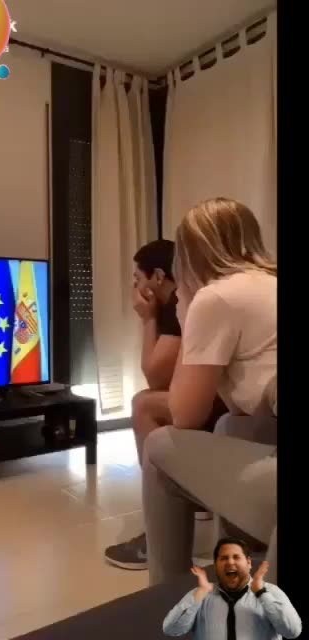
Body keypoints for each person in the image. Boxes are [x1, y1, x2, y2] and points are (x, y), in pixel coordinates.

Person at [142, 197, 277, 585]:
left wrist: (187, 322)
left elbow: (184, 415)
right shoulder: (268, 284)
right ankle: (233, 573)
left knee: (158, 446)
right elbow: (241, 408)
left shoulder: (215, 296)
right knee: (230, 428)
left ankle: (164, 592)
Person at [104, 239, 225, 570]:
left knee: (143, 404)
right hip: (232, 404)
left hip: (224, 407)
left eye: (137, 279)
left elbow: (154, 375)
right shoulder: (187, 299)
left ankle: (160, 523)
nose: (135, 288)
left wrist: (147, 320)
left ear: (158, 276)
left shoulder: (176, 304)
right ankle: (194, 499)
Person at [163, 537, 301, 639]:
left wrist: (261, 593)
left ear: (248, 563)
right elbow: (172, 629)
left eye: (236, 557)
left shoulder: (272, 592)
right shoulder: (200, 594)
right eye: (223, 558)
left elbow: (292, 631)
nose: (230, 562)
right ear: (216, 565)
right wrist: (200, 593)